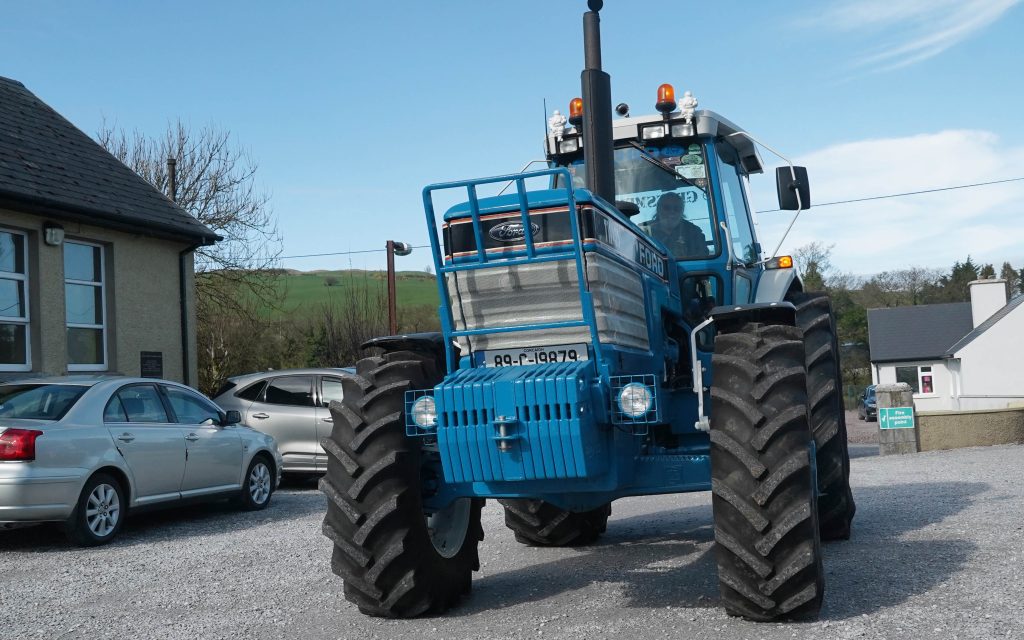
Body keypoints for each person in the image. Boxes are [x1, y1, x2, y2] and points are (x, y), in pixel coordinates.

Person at [640, 192, 710, 259]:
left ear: (682, 211)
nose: (672, 212)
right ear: (658, 209)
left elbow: (702, 258)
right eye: (666, 208)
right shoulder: (644, 229)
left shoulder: (693, 231)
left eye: (676, 208)